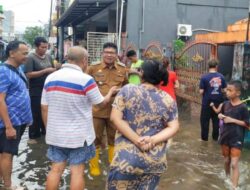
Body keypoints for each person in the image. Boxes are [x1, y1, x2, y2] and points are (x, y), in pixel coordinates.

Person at [41, 46, 118, 190]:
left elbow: (44, 107)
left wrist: (49, 130)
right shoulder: (85, 79)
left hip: (56, 134)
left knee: (56, 169)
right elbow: (101, 104)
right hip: (79, 136)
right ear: (84, 60)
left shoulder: (50, 78)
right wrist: (110, 93)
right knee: (77, 172)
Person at [107, 59, 179, 189]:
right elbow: (174, 127)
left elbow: (115, 118)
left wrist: (137, 140)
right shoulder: (168, 99)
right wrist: (152, 139)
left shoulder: (127, 90)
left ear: (142, 74)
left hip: (126, 161)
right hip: (154, 163)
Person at [87, 42, 127, 176]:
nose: (109, 55)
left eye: (112, 53)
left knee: (114, 138)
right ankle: (94, 166)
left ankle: (113, 163)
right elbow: (85, 86)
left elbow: (126, 87)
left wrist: (118, 90)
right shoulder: (93, 68)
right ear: (102, 53)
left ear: (117, 55)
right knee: (95, 138)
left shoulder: (123, 69)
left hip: (115, 111)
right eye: (107, 52)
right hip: (96, 111)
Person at [0, 40, 32, 189]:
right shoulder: (3, 72)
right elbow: (0, 99)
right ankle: (8, 186)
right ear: (12, 53)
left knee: (8, 153)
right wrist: (8, 126)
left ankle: (3, 180)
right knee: (7, 154)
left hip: (20, 120)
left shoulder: (19, 69)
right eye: (24, 53)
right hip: (10, 122)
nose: (27, 56)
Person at [216, 81, 249, 189]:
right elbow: (222, 116)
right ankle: (227, 177)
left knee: (234, 164)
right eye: (227, 90)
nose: (227, 92)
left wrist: (233, 120)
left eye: (230, 90)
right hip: (225, 136)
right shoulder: (225, 104)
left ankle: (234, 187)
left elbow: (247, 124)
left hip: (237, 138)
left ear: (238, 93)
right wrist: (220, 116)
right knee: (226, 161)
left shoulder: (243, 107)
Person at [24, 37, 57, 144]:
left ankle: (45, 131)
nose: (45, 49)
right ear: (36, 47)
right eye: (42, 47)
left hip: (48, 88)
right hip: (36, 90)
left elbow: (53, 68)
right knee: (36, 113)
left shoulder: (48, 56)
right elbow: (28, 74)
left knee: (47, 110)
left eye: (46, 47)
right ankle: (33, 136)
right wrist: (45, 71)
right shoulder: (30, 57)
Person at [199, 59, 226, 141]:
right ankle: (215, 139)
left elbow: (201, 92)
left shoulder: (204, 77)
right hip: (218, 103)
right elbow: (225, 90)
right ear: (216, 66)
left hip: (206, 103)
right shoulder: (221, 76)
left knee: (204, 122)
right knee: (216, 122)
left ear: (208, 66)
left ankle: (204, 141)